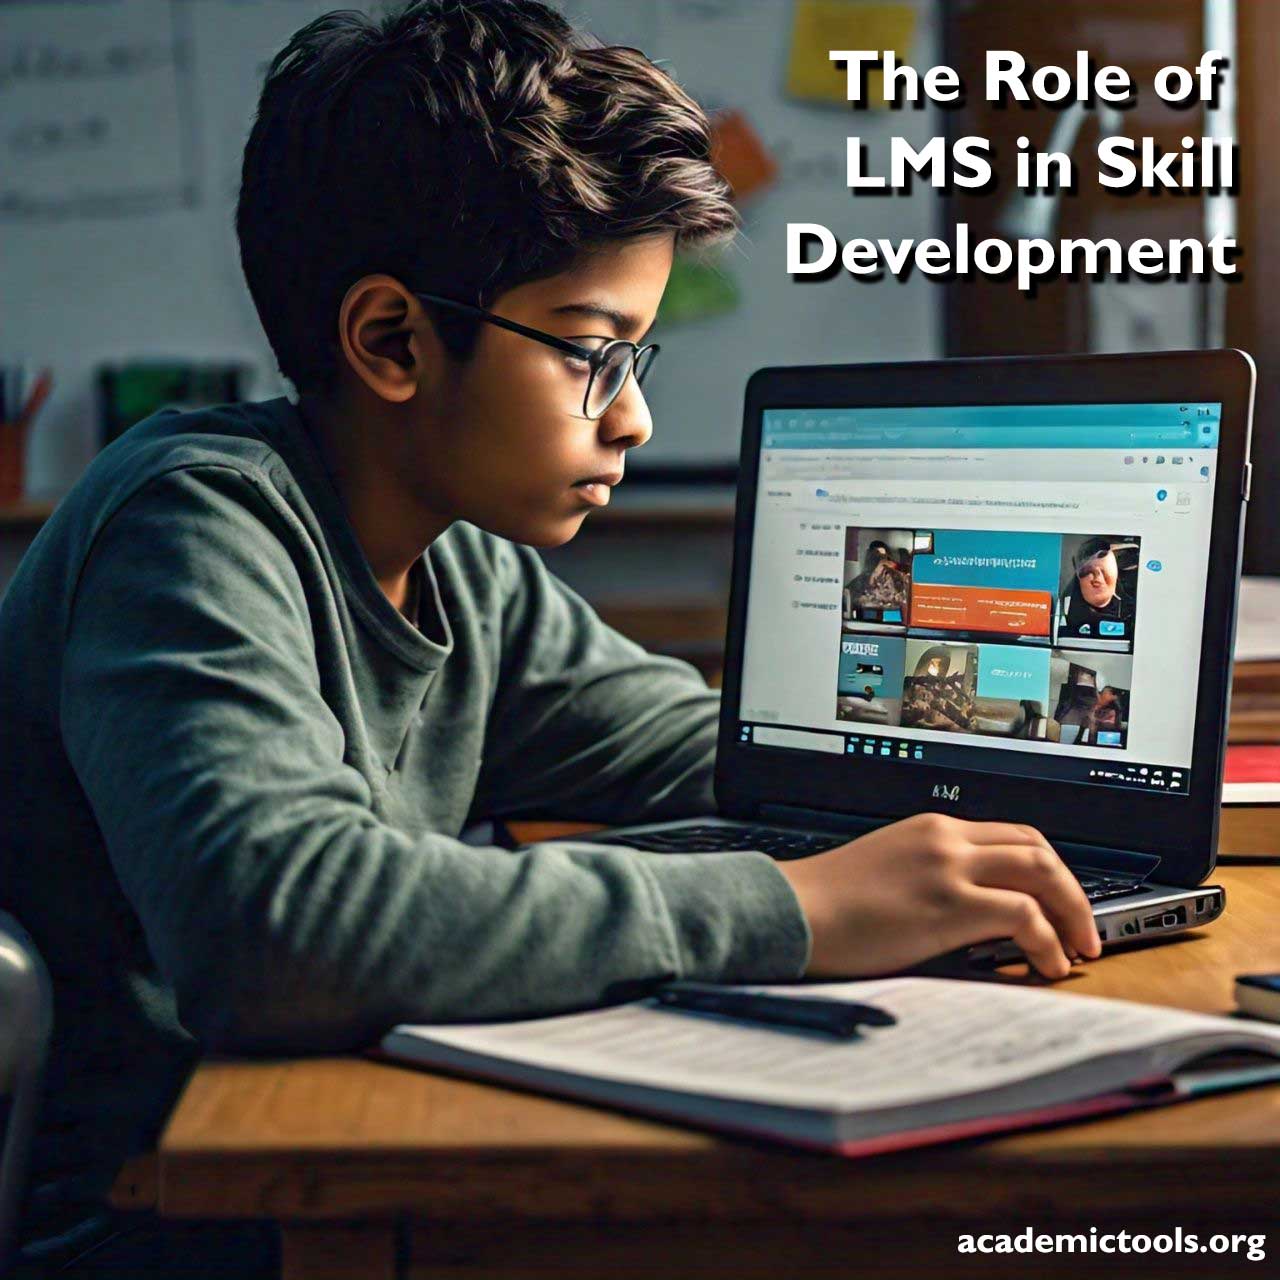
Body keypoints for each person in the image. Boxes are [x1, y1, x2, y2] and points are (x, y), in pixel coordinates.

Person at [0, 3, 1099, 1272]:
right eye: (590, 355)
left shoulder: (455, 562)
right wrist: (789, 904)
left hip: (305, 1166)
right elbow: (280, 923)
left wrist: (1026, 770)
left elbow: (704, 748)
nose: (630, 417)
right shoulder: (191, 521)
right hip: (153, 1217)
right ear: (391, 341)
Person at [1059, 536, 1136, 638]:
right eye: (1089, 571)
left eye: (1103, 571)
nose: (1097, 578)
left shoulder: (1131, 607)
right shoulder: (1066, 609)